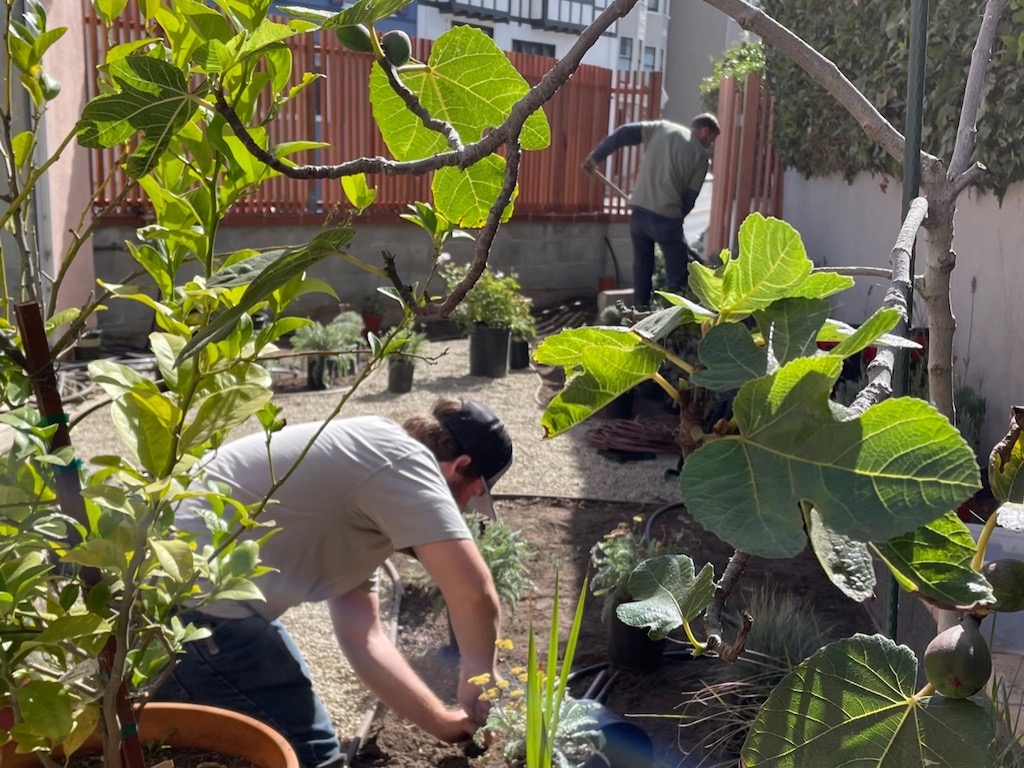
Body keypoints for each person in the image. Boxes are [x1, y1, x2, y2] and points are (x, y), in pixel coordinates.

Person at [155, 397, 513, 768]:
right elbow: (475, 593)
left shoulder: (368, 481)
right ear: (461, 466)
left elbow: (365, 640)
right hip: (190, 612)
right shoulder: (404, 459)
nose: (463, 511)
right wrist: (481, 674)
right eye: (472, 496)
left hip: (187, 604)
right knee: (310, 755)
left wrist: (442, 723)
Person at [582, 113, 720, 307]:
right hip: (667, 217)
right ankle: (671, 327)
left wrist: (596, 157)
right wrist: (676, 223)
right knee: (677, 275)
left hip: (638, 213)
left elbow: (624, 133)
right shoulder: (701, 156)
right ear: (705, 131)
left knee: (642, 268)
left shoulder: (662, 128)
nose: (711, 144)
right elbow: (689, 198)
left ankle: (639, 313)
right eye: (712, 139)